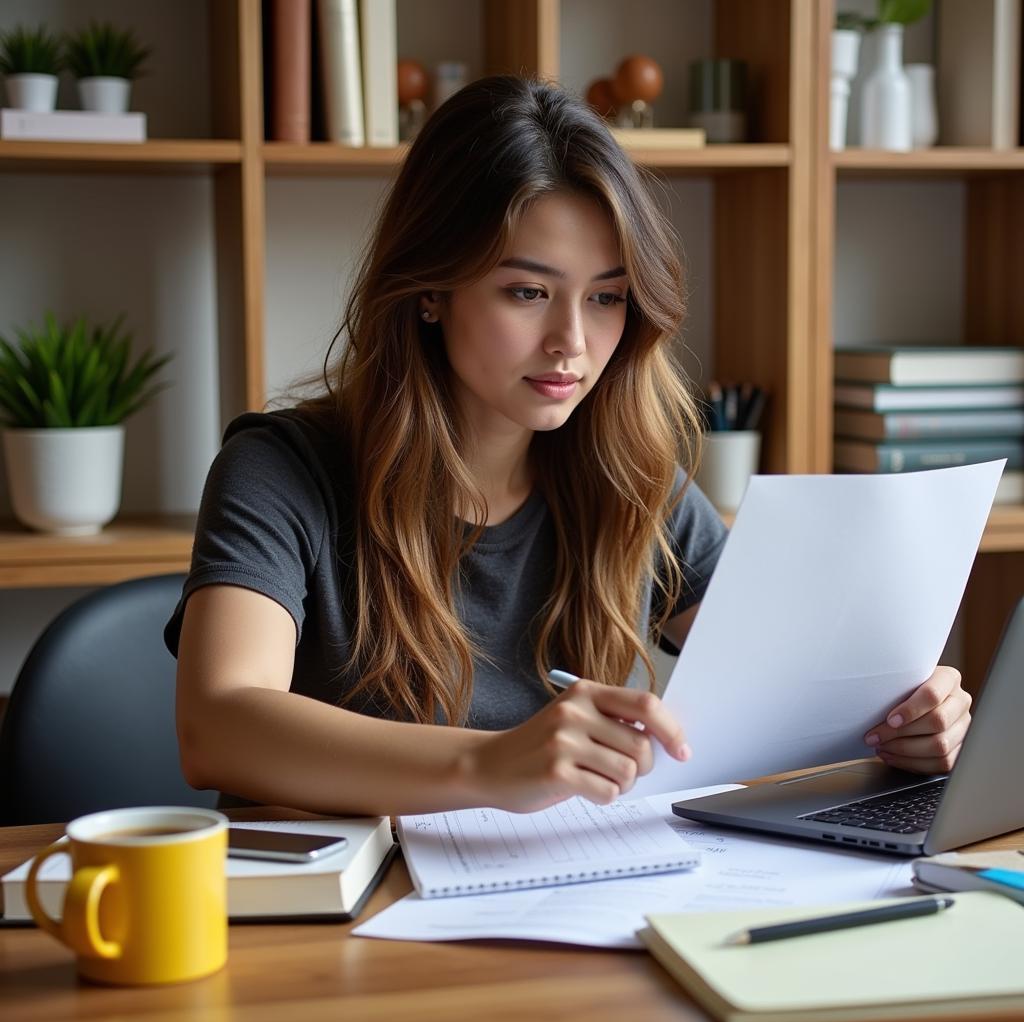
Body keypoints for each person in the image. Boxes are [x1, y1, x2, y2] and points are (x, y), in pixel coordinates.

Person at [167, 75, 971, 817]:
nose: (573, 344)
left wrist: (901, 718)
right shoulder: (281, 469)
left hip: (556, 909)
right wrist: (489, 767)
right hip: (339, 930)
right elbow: (218, 724)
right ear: (430, 294)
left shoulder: (630, 481)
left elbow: (796, 686)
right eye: (528, 292)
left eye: (608, 299)